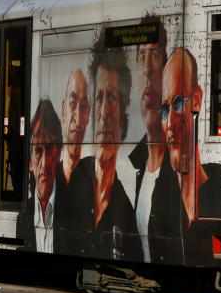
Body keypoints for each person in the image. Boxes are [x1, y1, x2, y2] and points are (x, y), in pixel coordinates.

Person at [161, 48, 221, 267]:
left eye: (178, 103)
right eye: (165, 110)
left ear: (196, 100)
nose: (170, 123)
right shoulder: (157, 199)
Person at [74, 44, 141, 261]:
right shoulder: (70, 182)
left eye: (112, 97)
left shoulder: (131, 206)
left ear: (124, 112)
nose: (104, 114)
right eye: (99, 98)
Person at [129, 17, 182, 264]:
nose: (148, 68)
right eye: (142, 58)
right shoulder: (131, 167)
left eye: (155, 55)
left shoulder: (180, 166)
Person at [54, 68, 92, 253]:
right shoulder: (49, 176)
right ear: (63, 110)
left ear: (89, 115)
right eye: (72, 104)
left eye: (83, 106)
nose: (77, 116)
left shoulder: (94, 177)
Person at [22, 100, 62, 253]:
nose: (44, 164)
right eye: (38, 151)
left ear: (59, 154)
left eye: (50, 149)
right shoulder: (23, 214)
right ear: (30, 162)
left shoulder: (73, 207)